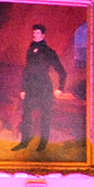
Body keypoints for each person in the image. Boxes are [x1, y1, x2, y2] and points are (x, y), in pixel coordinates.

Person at [14, 23, 65, 153]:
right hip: (30, 87)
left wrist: (60, 88)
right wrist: (23, 88)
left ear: (43, 35)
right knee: (26, 116)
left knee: (45, 116)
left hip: (44, 87)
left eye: (37, 33)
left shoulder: (49, 52)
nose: (34, 35)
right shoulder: (30, 50)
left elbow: (62, 71)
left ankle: (43, 143)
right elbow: (27, 70)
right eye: (33, 33)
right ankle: (24, 142)